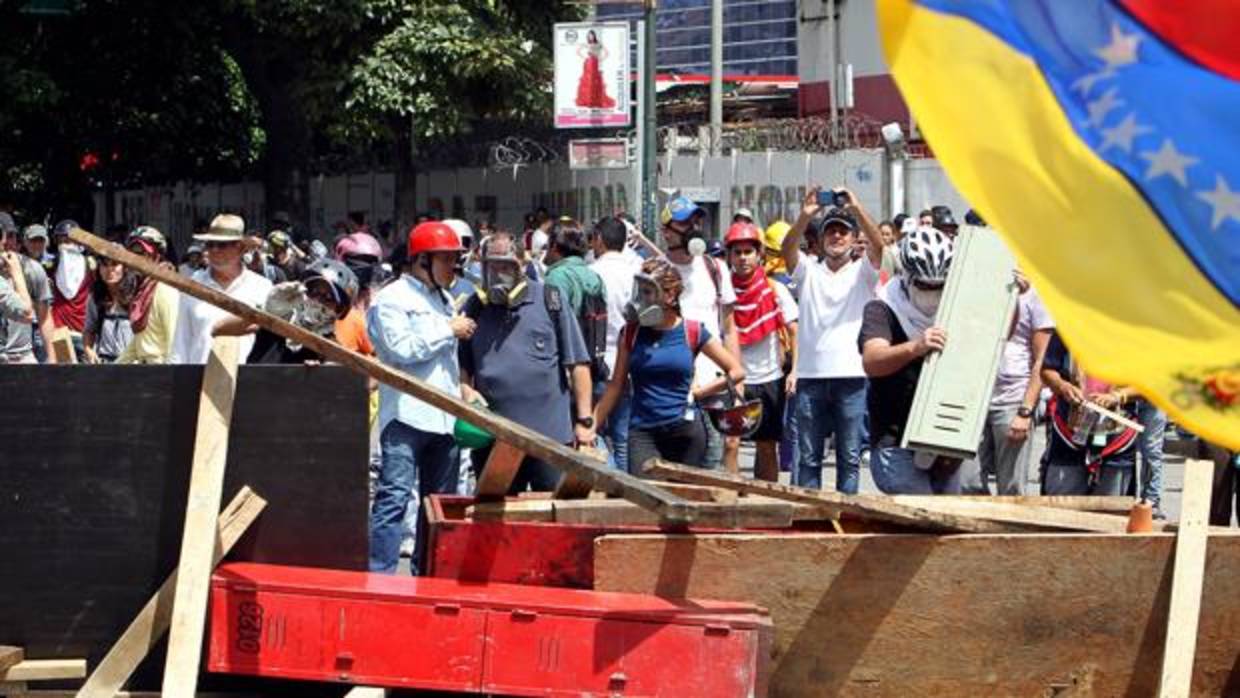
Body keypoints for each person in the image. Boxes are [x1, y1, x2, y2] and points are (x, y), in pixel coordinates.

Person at [367, 221, 474, 574]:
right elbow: (400, 350)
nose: (452, 268)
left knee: (438, 504)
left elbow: (446, 363)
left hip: (444, 416)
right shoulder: (391, 300)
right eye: (446, 260)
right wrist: (448, 329)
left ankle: (427, 576)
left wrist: (463, 390)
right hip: (407, 415)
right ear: (422, 260)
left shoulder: (443, 299)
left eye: (455, 261)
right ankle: (380, 575)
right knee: (394, 497)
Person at [459, 238, 595, 492]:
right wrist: (466, 389)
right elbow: (463, 366)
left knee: (553, 513)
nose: (498, 274)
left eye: (506, 266)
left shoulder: (549, 299)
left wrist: (585, 423)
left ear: (522, 265)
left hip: (549, 437)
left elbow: (577, 363)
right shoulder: (475, 306)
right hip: (495, 439)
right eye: (491, 267)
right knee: (495, 519)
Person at [594, 260, 745, 472]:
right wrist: (591, 425)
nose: (640, 299)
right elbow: (615, 386)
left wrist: (701, 392)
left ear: (670, 296)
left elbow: (736, 371)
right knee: (645, 497)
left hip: (685, 431)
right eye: (640, 291)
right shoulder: (630, 333)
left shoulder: (691, 331)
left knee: (685, 499)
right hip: (642, 431)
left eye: (648, 292)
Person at [782, 187, 885, 493]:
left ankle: (847, 516)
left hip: (851, 376)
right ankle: (811, 521)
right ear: (822, 239)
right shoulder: (808, 271)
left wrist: (857, 208)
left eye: (843, 232)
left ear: (854, 239)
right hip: (811, 377)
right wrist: (805, 215)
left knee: (849, 457)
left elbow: (880, 247)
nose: (837, 237)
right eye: (831, 232)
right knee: (809, 458)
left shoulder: (863, 272)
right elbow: (787, 249)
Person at [859, 225, 960, 494]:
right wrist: (915, 347)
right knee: (924, 515)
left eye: (938, 286)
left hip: (944, 440)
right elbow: (872, 359)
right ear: (907, 277)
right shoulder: (882, 308)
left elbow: (995, 336)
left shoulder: (954, 303)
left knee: (954, 517)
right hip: (896, 442)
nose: (932, 292)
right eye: (925, 285)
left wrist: (1013, 299)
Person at [661, 195, 740, 469]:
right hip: (671, 385)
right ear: (667, 231)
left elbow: (729, 328)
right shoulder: (656, 271)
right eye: (684, 222)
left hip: (714, 383)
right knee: (678, 463)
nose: (693, 227)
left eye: (696, 220)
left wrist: (737, 378)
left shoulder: (715, 268)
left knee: (717, 457)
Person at [724, 222, 798, 480]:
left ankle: (765, 506)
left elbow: (794, 330)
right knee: (730, 444)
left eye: (748, 252)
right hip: (733, 380)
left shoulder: (776, 290)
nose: (743, 258)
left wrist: (794, 372)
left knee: (767, 448)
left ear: (759, 255)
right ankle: (732, 504)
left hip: (769, 379)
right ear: (730, 256)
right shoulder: (723, 291)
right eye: (738, 252)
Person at [969, 281, 1054, 495]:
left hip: (1012, 399)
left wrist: (1025, 411)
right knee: (967, 483)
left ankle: (1007, 528)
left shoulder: (1036, 295)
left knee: (1011, 487)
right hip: (974, 398)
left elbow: (1041, 359)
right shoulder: (978, 282)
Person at [1038, 331, 1139, 495]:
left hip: (1118, 433)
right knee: (1061, 507)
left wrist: (1118, 396)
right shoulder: (1068, 325)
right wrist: (1063, 386)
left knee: (1111, 510)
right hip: (1069, 429)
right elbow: (1048, 369)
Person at [170, 214, 273, 364]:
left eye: (222, 245)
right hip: (198, 379)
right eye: (210, 244)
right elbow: (180, 342)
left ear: (240, 248)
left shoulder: (262, 287)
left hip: (249, 381)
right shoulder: (192, 286)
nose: (214, 250)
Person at [589, 216, 642, 470]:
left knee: (592, 428)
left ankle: (609, 478)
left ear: (598, 239)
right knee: (622, 437)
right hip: (631, 364)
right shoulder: (639, 272)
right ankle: (624, 492)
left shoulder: (592, 273)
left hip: (598, 364)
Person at [245, 258, 358, 364]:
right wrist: (267, 314)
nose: (316, 301)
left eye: (328, 298)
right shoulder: (276, 327)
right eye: (312, 291)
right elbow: (232, 326)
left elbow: (340, 373)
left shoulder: (331, 350)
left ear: (339, 310)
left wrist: (321, 373)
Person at [115, 227, 180, 364]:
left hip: (161, 368)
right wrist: (112, 370)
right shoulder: (142, 290)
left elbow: (174, 340)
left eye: (141, 253)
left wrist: (170, 378)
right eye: (131, 254)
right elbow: (140, 341)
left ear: (156, 256)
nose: (135, 259)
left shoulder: (164, 289)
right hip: (144, 368)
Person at [0, 222, 55, 364]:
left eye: (11, 236)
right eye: (2, 236)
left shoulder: (32, 269)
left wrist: (52, 358)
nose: (6, 241)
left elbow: (44, 317)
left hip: (22, 356)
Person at [48, 219, 94, 355]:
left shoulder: (92, 265)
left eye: (68, 240)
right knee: (63, 374)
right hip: (59, 331)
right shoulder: (52, 263)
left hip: (84, 332)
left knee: (86, 375)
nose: (65, 245)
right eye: (61, 241)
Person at [82, 254, 133, 364]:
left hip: (133, 364)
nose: (109, 269)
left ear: (124, 267)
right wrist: (89, 350)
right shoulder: (96, 296)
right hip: (105, 364)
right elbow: (89, 330)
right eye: (105, 265)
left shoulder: (135, 295)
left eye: (115, 264)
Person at [575, 29, 615, 109]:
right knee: (587, 79)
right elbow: (578, 51)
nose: (590, 37)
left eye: (592, 35)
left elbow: (607, 53)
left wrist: (600, 59)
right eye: (589, 36)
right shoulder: (586, 44)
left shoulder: (598, 44)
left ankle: (595, 100)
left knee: (595, 80)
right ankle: (587, 99)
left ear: (594, 36)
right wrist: (585, 57)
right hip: (588, 63)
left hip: (595, 63)